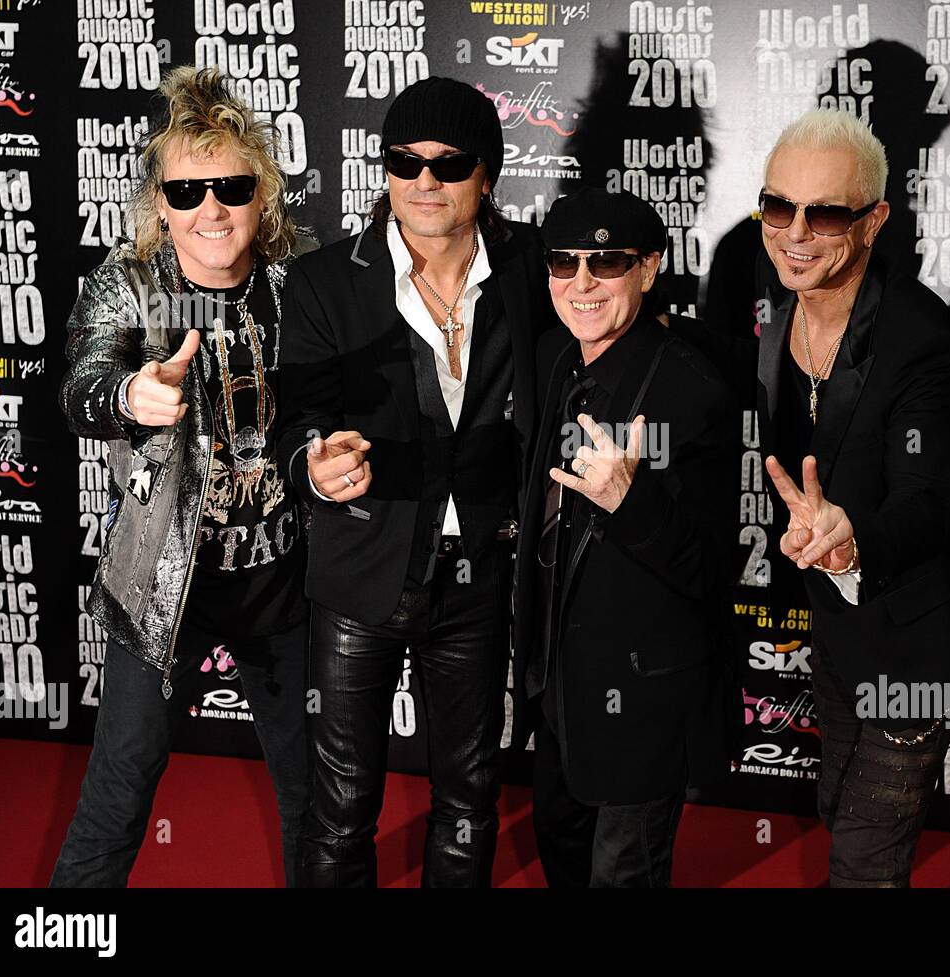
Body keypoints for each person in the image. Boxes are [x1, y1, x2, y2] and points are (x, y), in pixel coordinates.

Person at [275, 77, 551, 887]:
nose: (425, 180)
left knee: (468, 801)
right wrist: (315, 469)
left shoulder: (534, 270)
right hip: (361, 570)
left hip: (479, 578)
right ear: (385, 170)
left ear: (488, 174)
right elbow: (297, 418)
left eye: (450, 162)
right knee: (341, 807)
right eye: (404, 161)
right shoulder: (326, 281)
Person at [52, 66, 312, 886]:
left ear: (261, 193)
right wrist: (131, 393)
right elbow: (81, 386)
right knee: (119, 792)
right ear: (160, 205)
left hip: (287, 583)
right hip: (163, 582)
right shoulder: (128, 285)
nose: (211, 208)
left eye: (231, 185)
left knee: (321, 797)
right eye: (188, 189)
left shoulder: (299, 279)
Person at [755, 108, 950, 887]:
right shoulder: (776, 318)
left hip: (913, 646)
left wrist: (854, 541)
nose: (796, 232)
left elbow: (929, 499)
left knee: (863, 865)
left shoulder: (923, 338)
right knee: (838, 816)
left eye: (827, 212)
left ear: (875, 220)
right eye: (779, 206)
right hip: (837, 633)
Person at [514, 188, 735, 887]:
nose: (581, 282)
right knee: (562, 858)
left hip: (641, 705)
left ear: (648, 268)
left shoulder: (692, 387)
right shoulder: (555, 356)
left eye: (606, 262)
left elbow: (711, 570)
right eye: (564, 261)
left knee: (622, 875)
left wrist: (628, 500)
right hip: (555, 696)